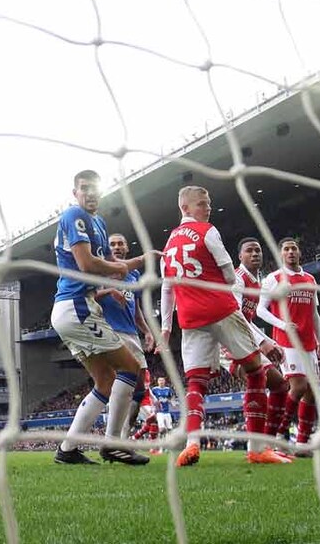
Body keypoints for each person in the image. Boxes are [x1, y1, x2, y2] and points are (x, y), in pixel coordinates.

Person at [160, 186, 287, 466]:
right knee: (256, 370)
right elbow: (230, 276)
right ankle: (257, 449)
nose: (208, 208)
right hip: (220, 309)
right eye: (202, 204)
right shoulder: (208, 231)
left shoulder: (169, 244)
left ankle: (192, 444)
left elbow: (167, 288)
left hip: (190, 318)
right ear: (185, 207)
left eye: (209, 203)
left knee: (195, 381)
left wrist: (166, 328)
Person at [50, 170, 151, 466]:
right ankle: (113, 444)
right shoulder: (74, 215)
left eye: (94, 189)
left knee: (105, 379)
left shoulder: (99, 223)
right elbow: (88, 263)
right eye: (84, 189)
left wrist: (133, 268)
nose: (90, 194)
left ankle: (67, 450)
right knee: (130, 368)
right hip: (76, 306)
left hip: (75, 307)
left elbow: (109, 265)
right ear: (74, 193)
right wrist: (125, 268)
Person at [218, 237, 293, 460]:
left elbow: (248, 321)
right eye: (249, 251)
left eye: (258, 250)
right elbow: (235, 314)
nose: (255, 254)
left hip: (245, 339)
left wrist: (268, 340)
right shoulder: (238, 278)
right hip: (227, 341)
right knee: (257, 377)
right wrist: (263, 342)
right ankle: (255, 450)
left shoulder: (256, 282)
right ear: (240, 256)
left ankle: (266, 445)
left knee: (280, 386)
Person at [257, 238, 320, 453]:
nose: (290, 252)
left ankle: (302, 443)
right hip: (286, 341)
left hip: (309, 343)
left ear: (299, 252)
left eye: (294, 248)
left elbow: (314, 314)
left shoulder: (310, 279)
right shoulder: (274, 278)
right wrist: (282, 324)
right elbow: (261, 309)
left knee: (312, 391)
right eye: (286, 249)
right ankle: (279, 435)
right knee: (297, 387)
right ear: (281, 255)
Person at [102, 233, 157, 439]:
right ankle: (115, 436)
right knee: (119, 381)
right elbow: (89, 296)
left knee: (141, 387)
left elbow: (136, 309)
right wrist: (108, 291)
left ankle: (123, 435)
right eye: (113, 244)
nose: (116, 247)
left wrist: (147, 331)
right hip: (110, 331)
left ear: (126, 249)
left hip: (132, 333)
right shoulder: (100, 271)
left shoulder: (133, 276)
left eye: (120, 244)